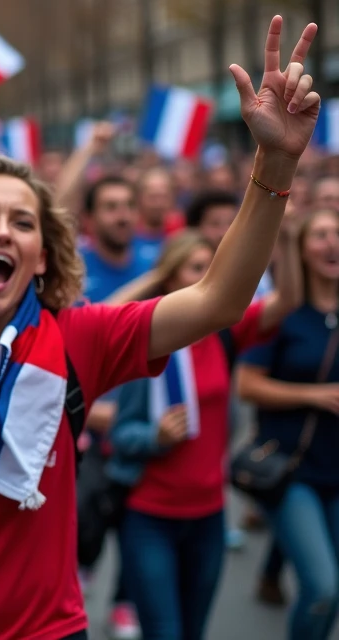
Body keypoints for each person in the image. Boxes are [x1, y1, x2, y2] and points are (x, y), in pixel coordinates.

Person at [0, 16, 320, 640]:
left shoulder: (75, 340)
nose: (2, 231)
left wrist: (276, 163)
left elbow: (218, 301)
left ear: (41, 256)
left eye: (23, 222)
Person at [105, 228, 300, 640]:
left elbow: (288, 301)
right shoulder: (148, 338)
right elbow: (121, 433)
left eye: (211, 268)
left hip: (209, 516)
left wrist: (287, 240)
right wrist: (154, 438)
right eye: (196, 269)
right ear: (172, 279)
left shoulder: (223, 330)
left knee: (194, 631)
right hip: (150, 516)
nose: (208, 279)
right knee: (165, 632)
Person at [236, 207, 339, 640]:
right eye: (320, 235)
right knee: (321, 588)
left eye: (338, 233)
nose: (332, 243)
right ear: (300, 249)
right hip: (291, 469)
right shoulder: (283, 314)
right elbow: (246, 385)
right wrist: (313, 395)